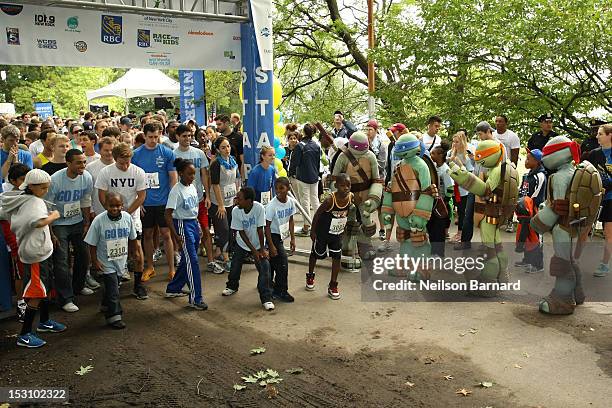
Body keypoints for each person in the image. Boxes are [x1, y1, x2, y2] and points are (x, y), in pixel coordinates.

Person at [1, 169, 66, 348]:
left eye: (47, 187)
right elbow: (36, 222)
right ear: (31, 186)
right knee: (36, 292)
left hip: (41, 251)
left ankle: (44, 322)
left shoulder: (26, 198)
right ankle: (25, 334)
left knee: (44, 288)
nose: (46, 190)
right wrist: (53, 216)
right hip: (35, 254)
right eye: (43, 188)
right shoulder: (33, 203)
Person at [96, 142, 148, 299]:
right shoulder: (106, 172)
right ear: (114, 159)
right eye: (121, 163)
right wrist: (112, 212)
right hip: (111, 216)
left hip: (132, 217)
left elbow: (142, 196)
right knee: (114, 250)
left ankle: (138, 284)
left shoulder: (138, 172)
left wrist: (127, 213)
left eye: (128, 162)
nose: (125, 166)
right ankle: (114, 279)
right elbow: (101, 195)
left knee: (137, 250)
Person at [47, 149, 93, 312]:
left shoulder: (86, 177)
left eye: (84, 162)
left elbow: (85, 200)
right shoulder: (55, 180)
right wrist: (51, 233)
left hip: (78, 222)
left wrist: (87, 223)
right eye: (79, 162)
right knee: (62, 260)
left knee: (84, 255)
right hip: (59, 224)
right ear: (68, 163)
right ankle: (66, 298)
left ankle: (78, 286)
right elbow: (48, 207)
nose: (83, 165)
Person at [131, 121, 177, 282]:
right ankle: (149, 267)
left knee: (166, 234)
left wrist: (171, 201)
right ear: (144, 136)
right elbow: (133, 180)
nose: (153, 140)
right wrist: (139, 202)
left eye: (156, 137)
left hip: (163, 201)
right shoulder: (135, 154)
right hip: (145, 202)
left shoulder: (167, 152)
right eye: (150, 137)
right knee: (148, 234)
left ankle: (172, 269)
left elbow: (173, 178)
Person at [172, 124, 221, 274]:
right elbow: (172, 176)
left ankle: (211, 261)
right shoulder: (172, 154)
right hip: (182, 202)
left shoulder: (199, 153)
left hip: (199, 199)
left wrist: (206, 195)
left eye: (189, 136)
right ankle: (180, 258)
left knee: (206, 229)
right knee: (182, 233)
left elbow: (204, 174)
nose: (187, 139)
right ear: (177, 137)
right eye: (184, 136)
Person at [84, 193, 136, 329]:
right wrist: (94, 261)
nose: (115, 209)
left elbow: (132, 238)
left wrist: (133, 254)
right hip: (105, 262)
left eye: (118, 205)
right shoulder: (99, 221)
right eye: (111, 206)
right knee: (113, 288)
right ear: (105, 205)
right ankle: (114, 316)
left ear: (122, 206)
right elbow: (92, 243)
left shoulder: (127, 218)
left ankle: (106, 304)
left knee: (114, 284)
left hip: (121, 260)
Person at [164, 158, 208, 310]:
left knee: (187, 259)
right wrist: (175, 234)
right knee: (193, 262)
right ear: (181, 174)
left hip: (192, 224)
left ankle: (174, 288)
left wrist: (198, 225)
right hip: (182, 225)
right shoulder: (176, 191)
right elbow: (168, 214)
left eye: (194, 174)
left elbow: (193, 209)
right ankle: (196, 298)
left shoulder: (192, 186)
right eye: (189, 174)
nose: (192, 177)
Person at [222, 187, 274, 311]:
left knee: (264, 266)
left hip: (258, 243)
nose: (236, 201)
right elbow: (241, 232)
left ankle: (266, 298)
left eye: (239, 199)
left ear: (249, 201)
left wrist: (261, 250)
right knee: (235, 265)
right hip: (242, 242)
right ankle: (232, 286)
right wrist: (253, 252)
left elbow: (260, 230)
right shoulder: (236, 211)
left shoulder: (259, 208)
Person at [306, 174, 354, 300]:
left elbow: (348, 212)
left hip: (337, 233)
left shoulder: (350, 197)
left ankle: (333, 284)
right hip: (323, 232)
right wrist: (313, 231)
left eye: (348, 185)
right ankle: (310, 275)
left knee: (336, 256)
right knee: (316, 253)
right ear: (336, 186)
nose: (346, 188)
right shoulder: (330, 200)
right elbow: (317, 214)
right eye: (343, 185)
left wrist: (344, 225)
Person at [454, 121, 496, 251]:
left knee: (488, 216)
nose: (479, 137)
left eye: (481, 134)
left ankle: (488, 245)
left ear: (489, 131)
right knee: (469, 214)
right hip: (475, 183)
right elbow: (478, 164)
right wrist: (473, 159)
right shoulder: (479, 145)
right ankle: (465, 241)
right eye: (478, 134)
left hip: (489, 184)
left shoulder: (498, 146)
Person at [0, 163, 30, 321]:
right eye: (22, 179)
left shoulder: (32, 192)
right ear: (13, 180)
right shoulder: (6, 196)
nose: (25, 182)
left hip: (31, 238)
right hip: (15, 240)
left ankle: (34, 300)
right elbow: (3, 217)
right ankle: (21, 304)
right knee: (19, 272)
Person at [209, 136, 240, 269]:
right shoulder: (216, 164)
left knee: (231, 228)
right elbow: (215, 185)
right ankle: (225, 257)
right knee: (224, 229)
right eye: (223, 147)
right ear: (217, 149)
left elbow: (237, 179)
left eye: (228, 146)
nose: (227, 149)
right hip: (218, 201)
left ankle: (219, 252)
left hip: (230, 200)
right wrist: (220, 205)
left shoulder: (233, 161)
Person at [265, 177, 296, 302]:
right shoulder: (272, 206)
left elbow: (291, 220)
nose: (278, 191)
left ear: (288, 188)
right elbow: (266, 227)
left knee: (274, 261)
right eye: (276, 188)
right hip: (273, 236)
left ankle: (266, 285)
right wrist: (271, 245)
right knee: (283, 262)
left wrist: (293, 238)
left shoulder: (290, 202)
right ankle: (281, 290)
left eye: (282, 188)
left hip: (282, 235)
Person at [515, 148, 546, 273]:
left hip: (534, 210)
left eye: (529, 159)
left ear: (537, 161)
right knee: (525, 234)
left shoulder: (540, 176)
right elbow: (522, 191)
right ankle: (527, 259)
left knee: (535, 236)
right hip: (524, 210)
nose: (526, 161)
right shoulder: (526, 175)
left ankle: (538, 264)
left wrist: (528, 206)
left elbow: (536, 195)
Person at [288, 124, 321, 236]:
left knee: (304, 201)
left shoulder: (300, 146)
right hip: (314, 176)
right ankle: (318, 224)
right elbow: (317, 163)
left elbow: (294, 162)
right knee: (315, 200)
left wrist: (290, 173)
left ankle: (307, 226)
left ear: (304, 132)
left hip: (303, 176)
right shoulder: (316, 145)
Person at [589, 124, 612, 277]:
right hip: (596, 197)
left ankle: (605, 264)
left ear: (610, 135)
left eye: (600, 134)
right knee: (584, 229)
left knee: (608, 233)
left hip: (611, 198)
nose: (597, 137)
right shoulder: (594, 154)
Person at [428, 142, 454, 257]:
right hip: (435, 202)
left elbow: (450, 187)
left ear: (440, 155)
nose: (430, 155)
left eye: (433, 153)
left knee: (439, 230)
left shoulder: (445, 170)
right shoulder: (435, 168)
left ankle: (438, 253)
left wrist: (445, 201)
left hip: (442, 203)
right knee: (432, 228)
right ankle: (433, 251)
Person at [447, 130, 473, 243]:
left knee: (462, 211)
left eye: (457, 142)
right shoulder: (449, 153)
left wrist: (459, 163)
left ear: (462, 142)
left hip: (463, 188)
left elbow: (470, 172)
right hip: (451, 186)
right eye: (453, 142)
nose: (454, 144)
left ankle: (460, 233)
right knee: (452, 209)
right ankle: (446, 232)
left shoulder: (466, 155)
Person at [1, 125, 33, 190]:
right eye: (11, 140)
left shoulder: (26, 155)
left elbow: (28, 177)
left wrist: (16, 163)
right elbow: (2, 176)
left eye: (17, 140)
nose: (15, 143)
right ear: (3, 139)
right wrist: (9, 161)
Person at [215, 115, 244, 179]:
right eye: (217, 125)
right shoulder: (217, 140)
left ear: (227, 123)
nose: (217, 127)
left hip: (235, 174)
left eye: (219, 124)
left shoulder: (238, 137)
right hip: (221, 175)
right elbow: (213, 158)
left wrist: (242, 178)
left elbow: (242, 160)